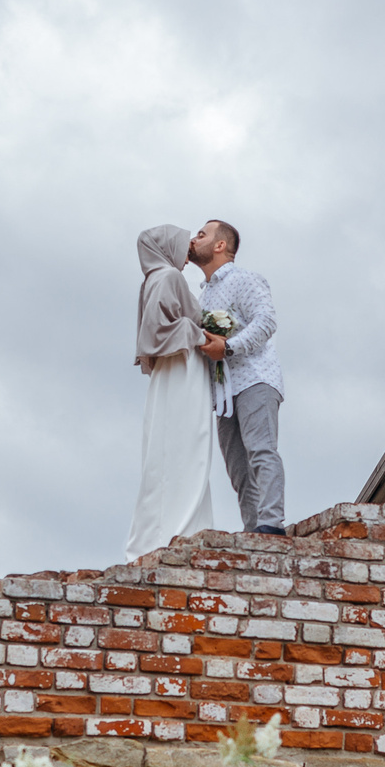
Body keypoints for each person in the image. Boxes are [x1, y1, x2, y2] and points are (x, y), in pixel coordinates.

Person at [189, 218, 285, 535]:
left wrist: (228, 348)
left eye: (201, 235)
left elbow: (266, 321)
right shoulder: (202, 298)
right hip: (224, 392)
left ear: (220, 245)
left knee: (260, 450)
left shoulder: (244, 279)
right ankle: (253, 530)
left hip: (255, 379)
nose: (193, 239)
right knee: (238, 468)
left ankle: (271, 525)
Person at [125, 224, 215, 558]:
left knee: (170, 444)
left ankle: (169, 527)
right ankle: (181, 528)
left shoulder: (152, 279)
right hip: (181, 366)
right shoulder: (168, 277)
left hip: (172, 369)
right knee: (187, 440)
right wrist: (201, 333)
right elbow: (158, 331)